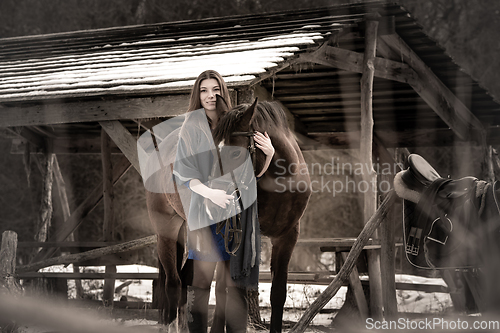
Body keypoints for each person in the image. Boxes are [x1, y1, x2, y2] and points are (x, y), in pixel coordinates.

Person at [173, 70, 274, 333]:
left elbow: (249, 177)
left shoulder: (237, 123)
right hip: (205, 214)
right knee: (201, 284)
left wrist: (270, 155)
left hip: (236, 218)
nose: (210, 95)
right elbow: (185, 174)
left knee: (233, 287)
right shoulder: (191, 127)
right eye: (204, 90)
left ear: (222, 92)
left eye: (215, 89)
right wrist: (210, 193)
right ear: (198, 94)